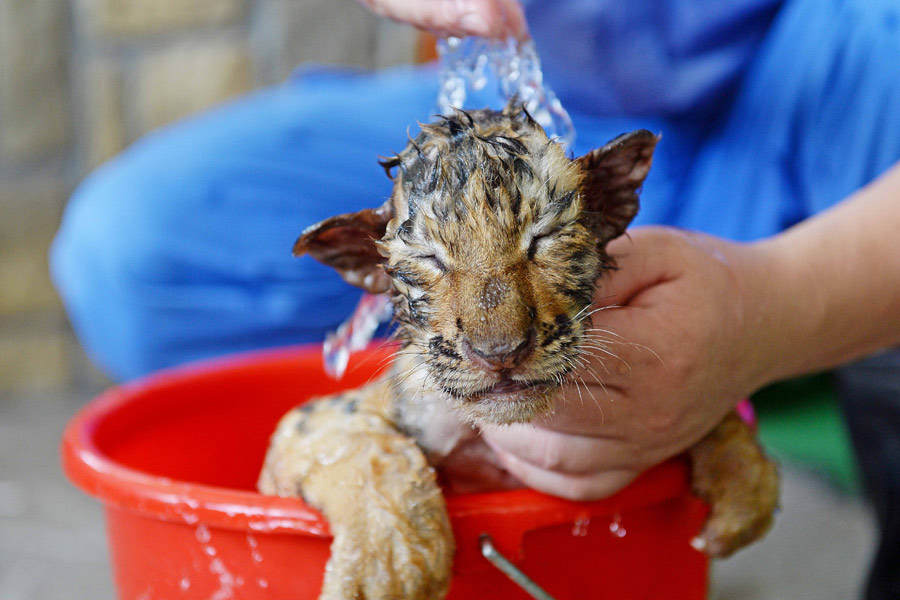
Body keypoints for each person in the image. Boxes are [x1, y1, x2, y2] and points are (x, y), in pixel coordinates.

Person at [50, 0, 900, 597]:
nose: (495, 335)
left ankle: (793, 349)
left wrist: (775, 309)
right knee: (132, 253)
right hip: (564, 104)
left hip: (831, 73)